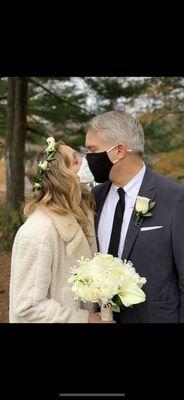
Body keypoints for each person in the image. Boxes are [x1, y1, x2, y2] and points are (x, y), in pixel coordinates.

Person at [85, 110, 184, 323]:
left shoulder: (174, 197)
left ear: (119, 150)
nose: (89, 159)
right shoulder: (96, 196)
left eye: (93, 150)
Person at [9, 137, 115, 323]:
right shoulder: (37, 233)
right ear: (62, 177)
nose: (84, 160)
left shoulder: (84, 213)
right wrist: (86, 319)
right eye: (75, 160)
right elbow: (26, 308)